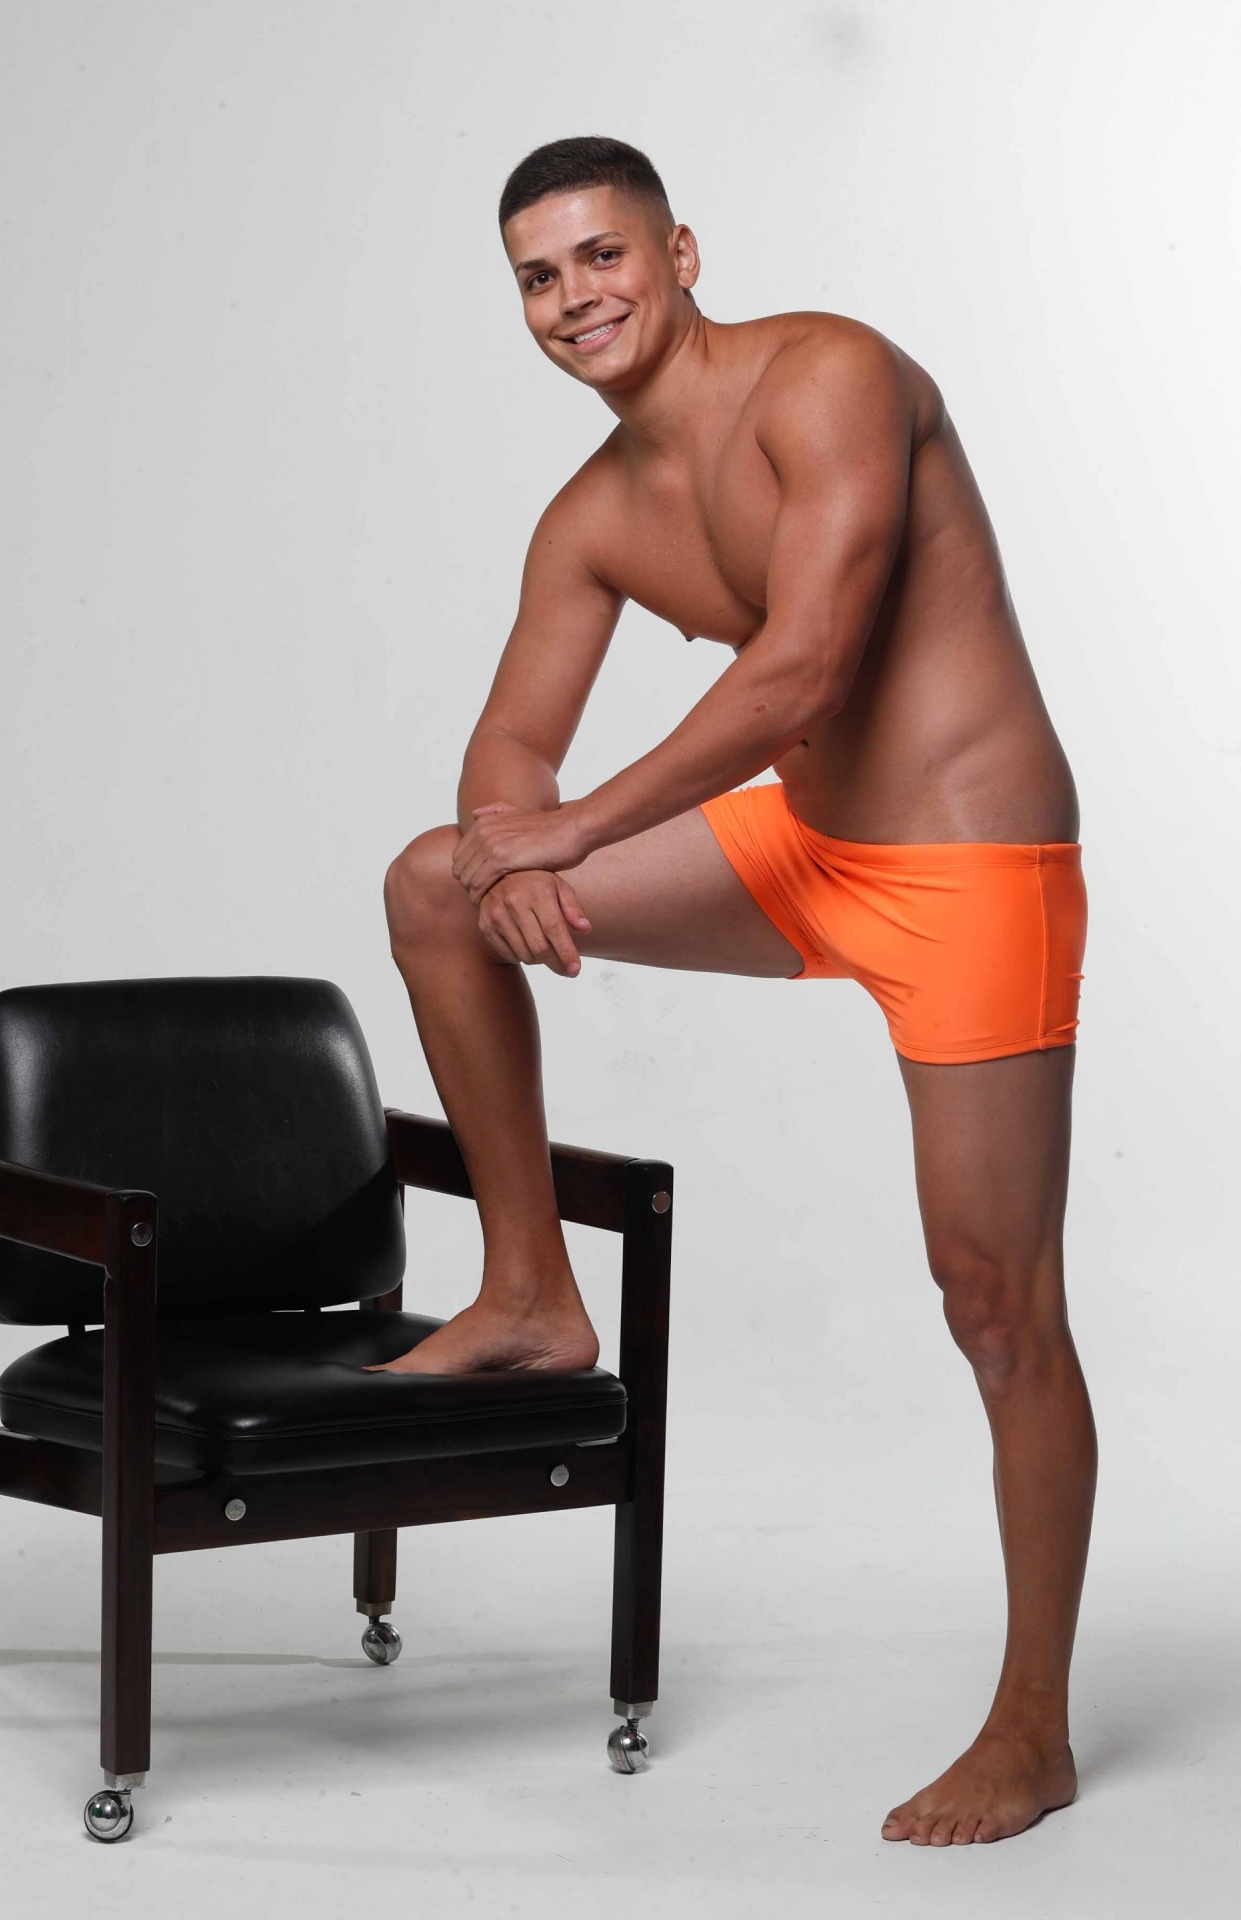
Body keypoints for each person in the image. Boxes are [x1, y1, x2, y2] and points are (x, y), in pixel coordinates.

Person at [373, 136, 1096, 1848]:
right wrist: (507, 848)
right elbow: (510, 746)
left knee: (995, 1304)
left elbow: (806, 668)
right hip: (803, 848)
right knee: (429, 886)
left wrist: (567, 831)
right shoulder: (594, 516)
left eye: (602, 256)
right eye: (538, 277)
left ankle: (1034, 1730)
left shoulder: (830, 376)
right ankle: (532, 1287)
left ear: (680, 250)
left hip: (970, 863)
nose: (575, 299)